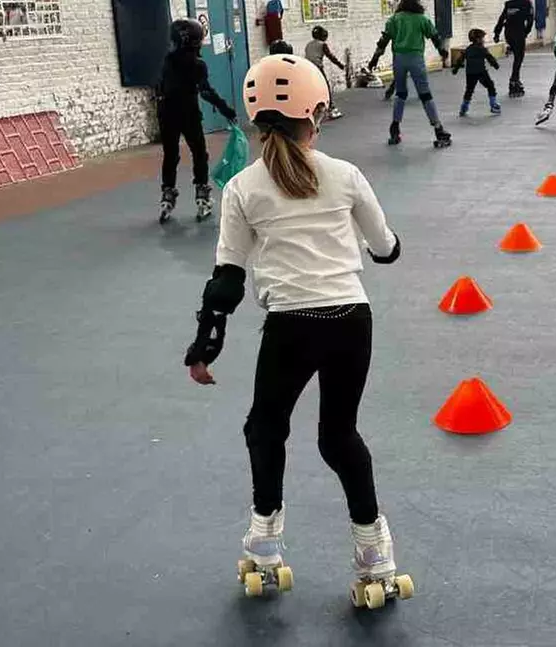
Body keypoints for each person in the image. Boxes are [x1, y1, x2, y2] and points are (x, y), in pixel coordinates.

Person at [184, 53, 413, 607]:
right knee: (340, 437)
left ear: (256, 117)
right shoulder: (345, 174)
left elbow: (227, 282)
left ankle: (264, 545)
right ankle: (374, 553)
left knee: (265, 430)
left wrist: (205, 345)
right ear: (317, 112)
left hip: (291, 326)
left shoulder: (242, 187)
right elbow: (386, 250)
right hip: (351, 321)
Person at [156, 18, 237, 223]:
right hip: (188, 113)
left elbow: (162, 86)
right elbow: (206, 91)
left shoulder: (167, 60)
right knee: (199, 152)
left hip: (166, 113)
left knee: (170, 154)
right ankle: (202, 196)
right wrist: (226, 110)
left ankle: (167, 195)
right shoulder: (197, 64)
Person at [367, 0, 452, 148]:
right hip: (416, 59)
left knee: (400, 94)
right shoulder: (421, 19)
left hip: (399, 59)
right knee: (425, 95)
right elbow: (434, 36)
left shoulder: (394, 19)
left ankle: (395, 128)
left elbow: (383, 41)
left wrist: (374, 59)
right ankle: (438, 129)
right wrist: (442, 51)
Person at [452, 28, 501, 117]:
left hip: (470, 73)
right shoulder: (482, 49)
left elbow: (460, 60)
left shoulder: (468, 49)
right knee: (490, 86)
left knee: (469, 90)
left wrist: (455, 69)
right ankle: (493, 105)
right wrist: (495, 65)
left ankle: (464, 107)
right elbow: (489, 57)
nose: (483, 40)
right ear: (478, 39)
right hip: (481, 72)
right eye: (482, 38)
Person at [492, 0, 533, 97]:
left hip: (508, 33)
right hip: (519, 32)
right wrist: (525, 33)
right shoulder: (527, 3)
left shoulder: (509, 4)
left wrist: (497, 34)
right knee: (519, 57)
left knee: (517, 55)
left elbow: (501, 19)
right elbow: (530, 20)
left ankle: (516, 79)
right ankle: (514, 80)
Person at [305, 25, 346, 120]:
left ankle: (313, 108)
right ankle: (331, 108)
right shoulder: (322, 45)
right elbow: (330, 56)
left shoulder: (309, 44)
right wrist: (340, 65)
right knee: (326, 88)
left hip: (307, 68)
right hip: (317, 67)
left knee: (312, 89)